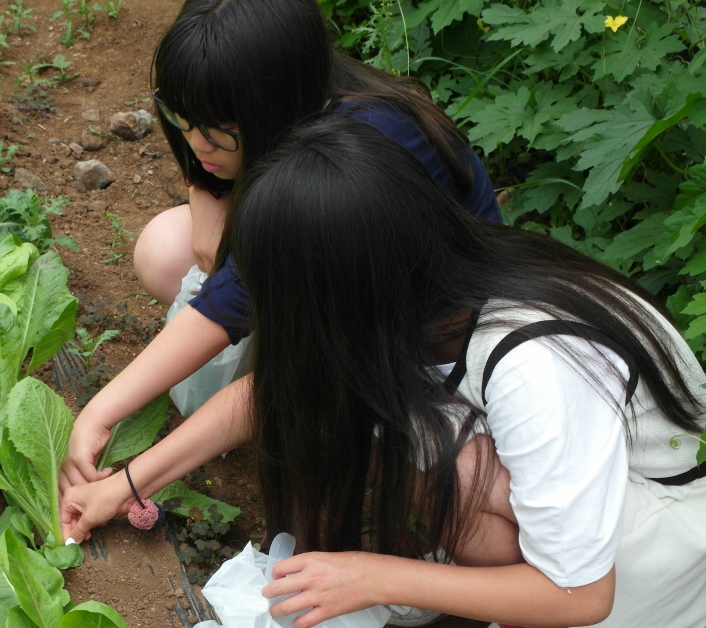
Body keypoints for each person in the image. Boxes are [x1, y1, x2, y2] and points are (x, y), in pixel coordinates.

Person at [60, 113, 706, 628]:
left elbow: (582, 591)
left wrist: (373, 575)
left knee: (461, 471)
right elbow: (274, 394)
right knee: (385, 419)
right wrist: (127, 483)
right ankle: (466, 573)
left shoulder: (537, 367)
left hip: (652, 537)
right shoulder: (422, 290)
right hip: (573, 485)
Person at [58, 0, 500, 507]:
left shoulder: (345, 167)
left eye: (218, 126)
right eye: (182, 117)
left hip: (422, 345)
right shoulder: (296, 99)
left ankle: (365, 447)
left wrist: (119, 458)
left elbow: (245, 326)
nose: (197, 143)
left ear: (270, 101)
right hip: (345, 302)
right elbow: (234, 285)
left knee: (318, 405)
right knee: (167, 246)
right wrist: (206, 202)